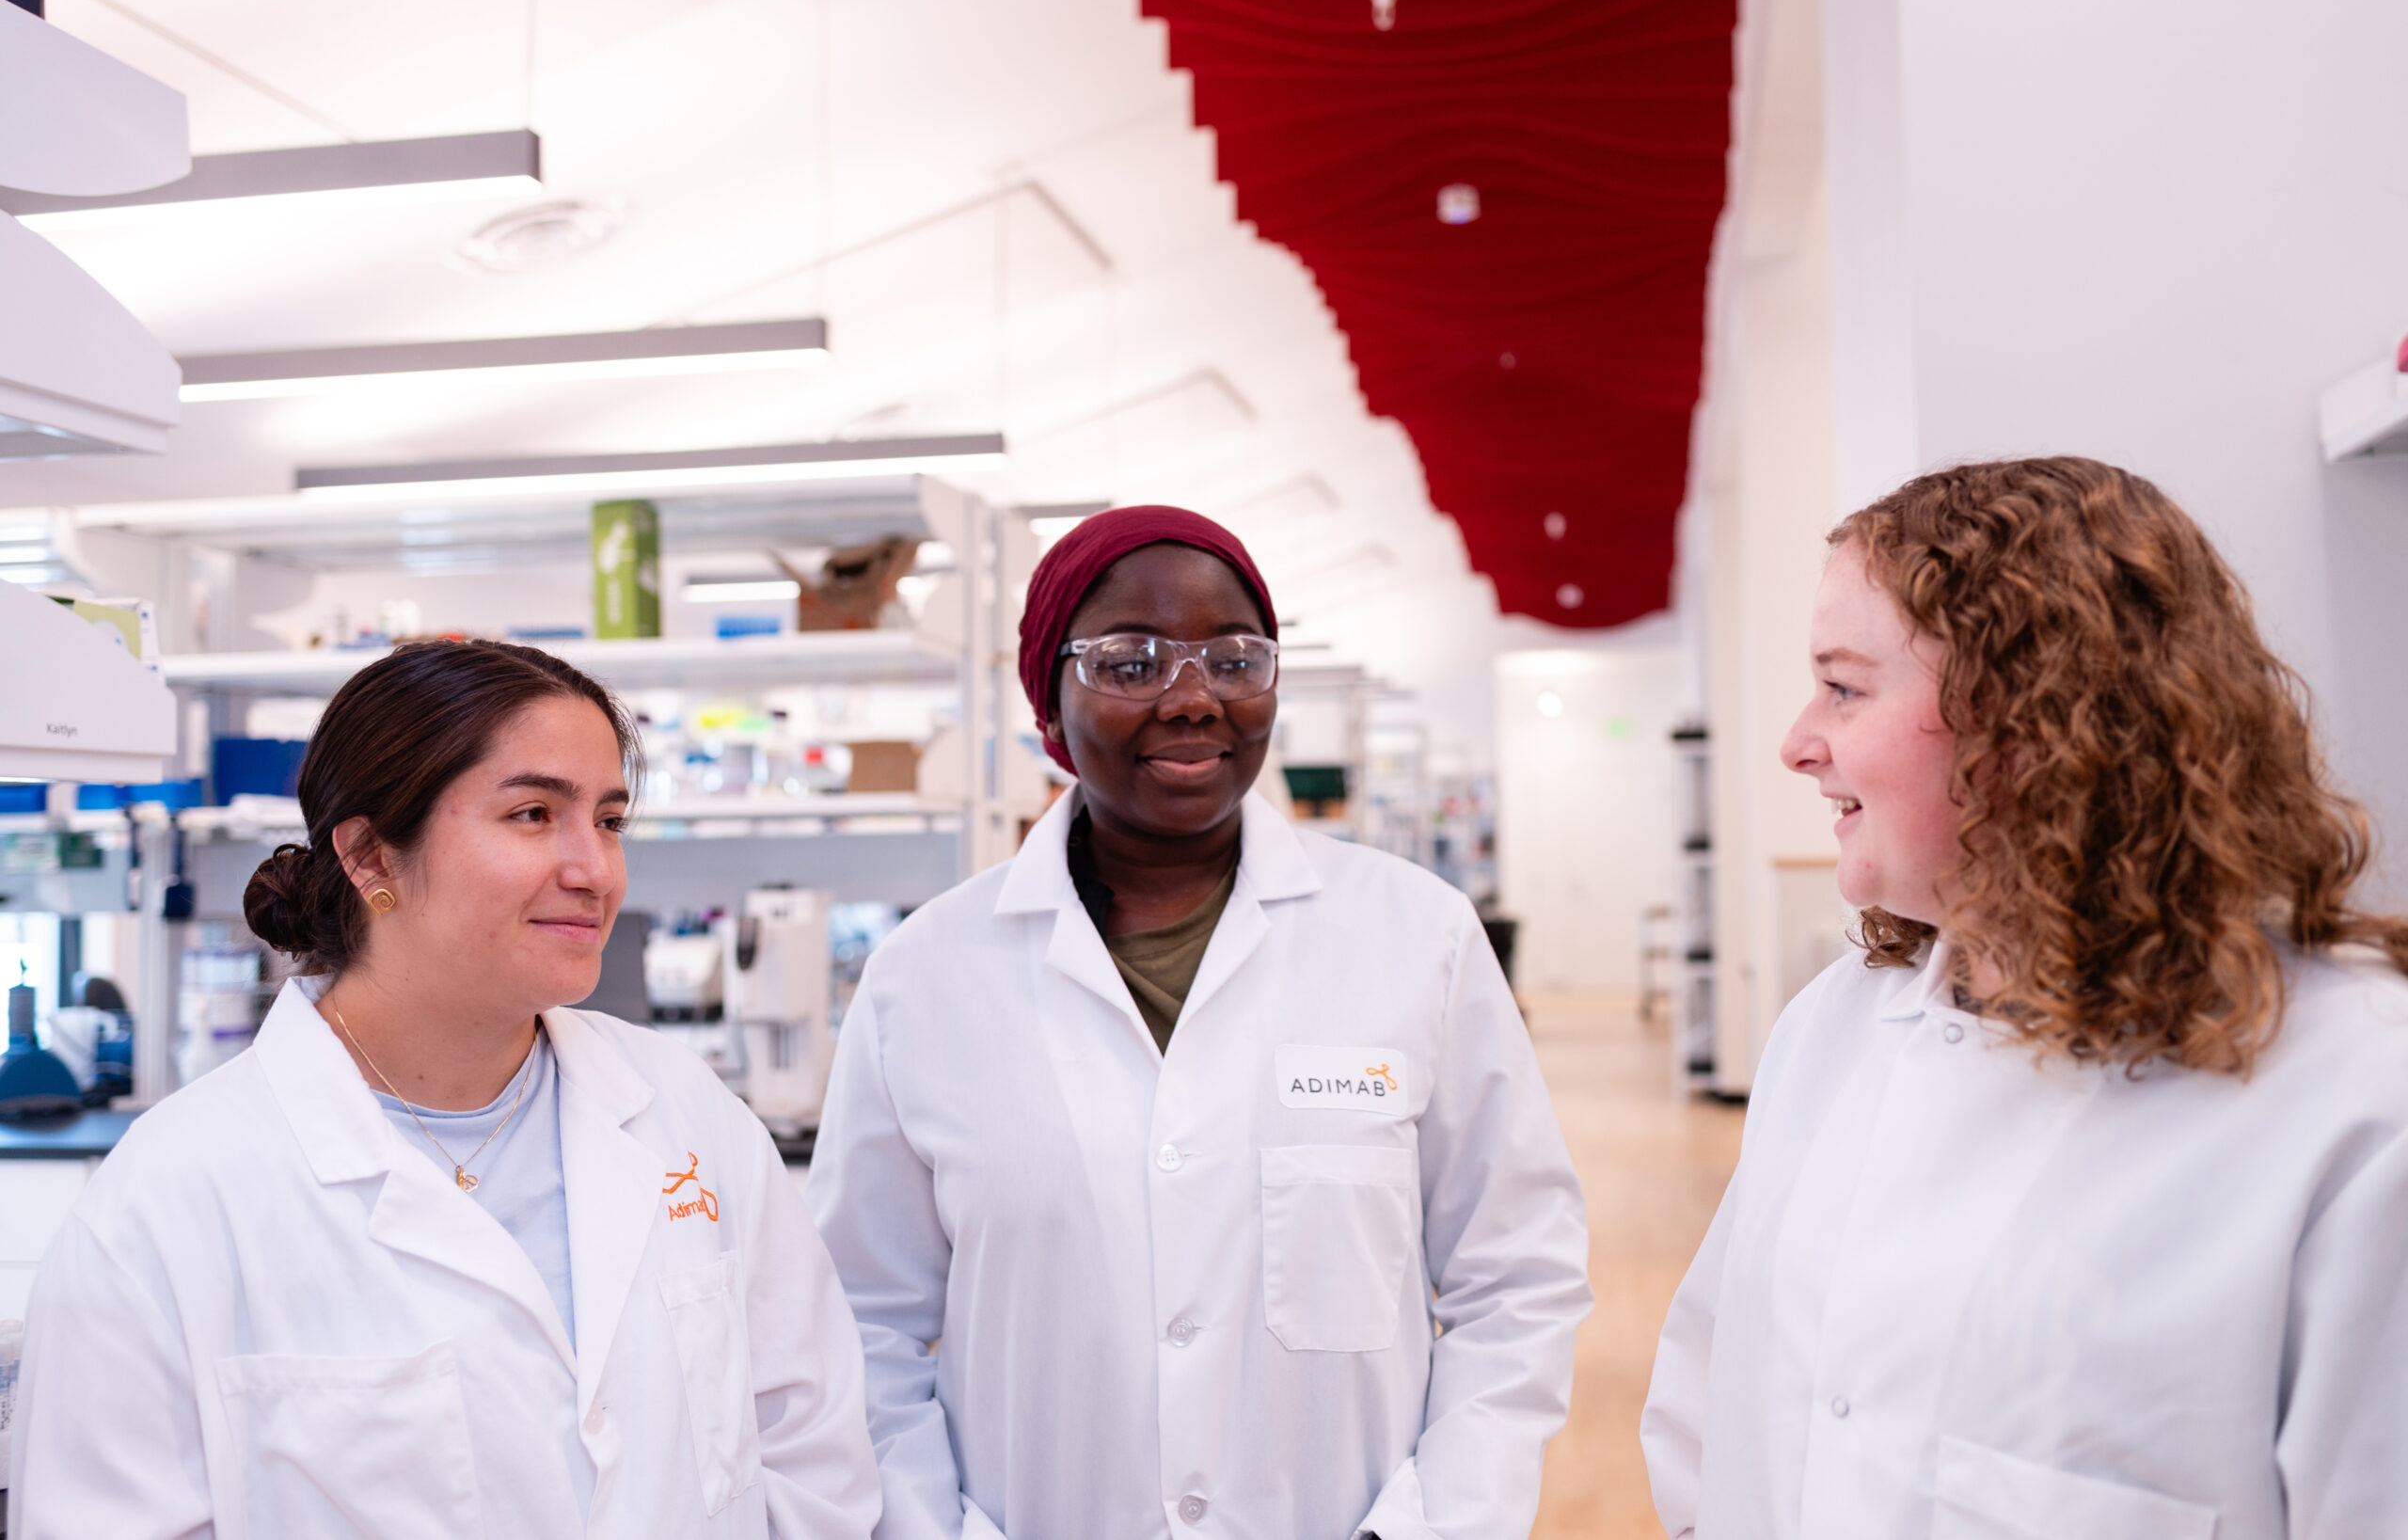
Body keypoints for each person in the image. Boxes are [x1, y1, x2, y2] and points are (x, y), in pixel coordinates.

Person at [1641, 457, 2408, 1538]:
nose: (1797, 742)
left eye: (1844, 687)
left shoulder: (2357, 1097)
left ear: (2029, 717)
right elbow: (1711, 1418)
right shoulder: (1834, 1027)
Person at [807, 506, 1592, 1540]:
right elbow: (860, 1319)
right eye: (1130, 662)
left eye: (1234, 658)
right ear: (1049, 701)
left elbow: (1517, 1275)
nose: (1191, 697)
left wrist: (1437, 1521)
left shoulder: (1417, 938)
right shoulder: (925, 977)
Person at [9, 640, 880, 1539]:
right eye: (534, 813)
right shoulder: (166, 1202)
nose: (595, 869)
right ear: (370, 858)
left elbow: (812, 1461)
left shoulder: (685, 1111)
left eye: (609, 819)